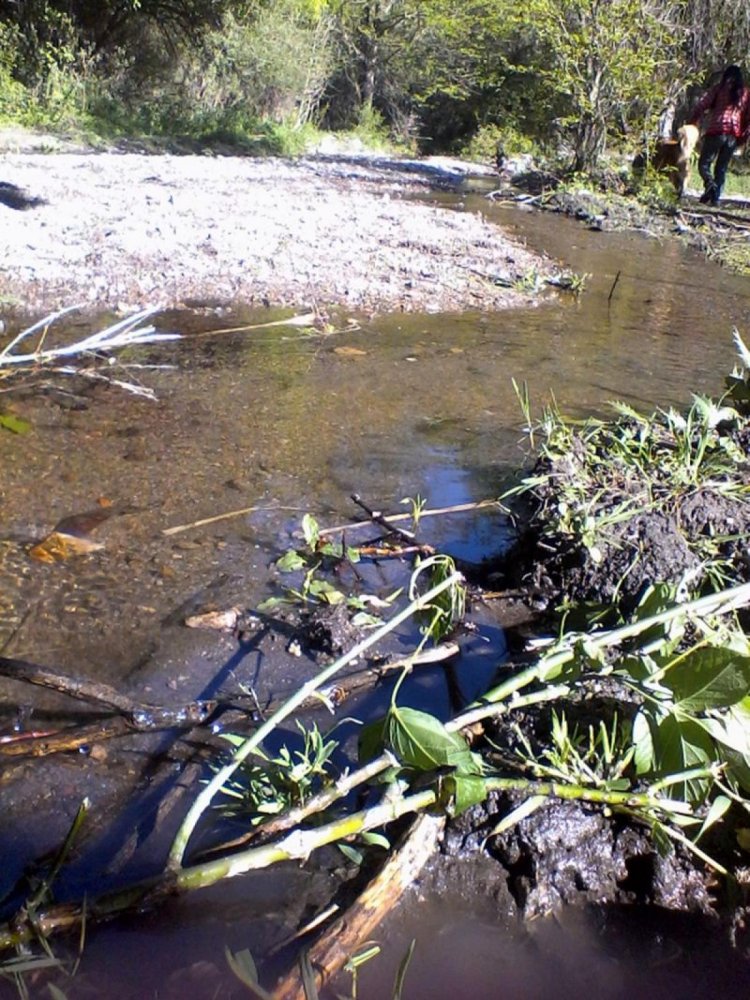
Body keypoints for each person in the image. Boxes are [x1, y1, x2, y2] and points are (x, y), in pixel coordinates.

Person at [688, 65, 750, 205]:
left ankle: (710, 185)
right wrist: (744, 135)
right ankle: (714, 198)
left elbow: (701, 105)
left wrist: (693, 121)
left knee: (704, 163)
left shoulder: (718, 89)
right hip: (733, 135)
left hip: (716, 130)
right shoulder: (745, 93)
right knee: (721, 168)